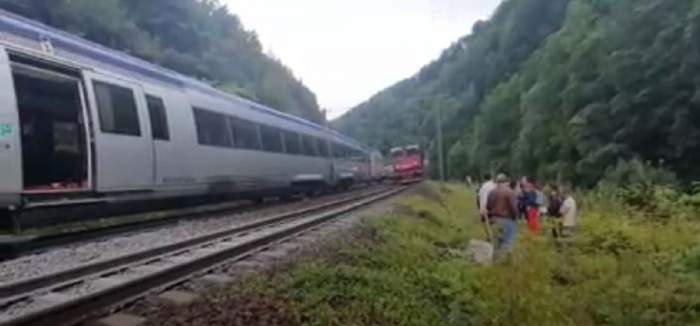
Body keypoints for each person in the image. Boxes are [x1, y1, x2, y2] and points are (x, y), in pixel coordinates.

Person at [486, 173, 519, 251]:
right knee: (506, 243)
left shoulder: (492, 192)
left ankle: (496, 261)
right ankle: (504, 261)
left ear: (497, 182)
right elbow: (514, 208)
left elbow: (488, 207)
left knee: (496, 243)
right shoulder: (510, 192)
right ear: (507, 182)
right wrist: (516, 218)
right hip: (507, 220)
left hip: (494, 219)